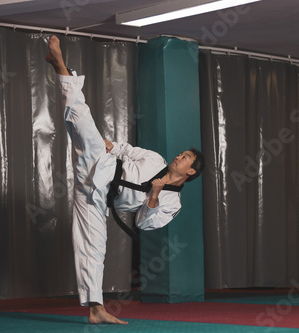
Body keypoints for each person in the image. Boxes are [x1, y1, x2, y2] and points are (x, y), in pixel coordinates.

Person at [45, 35, 204, 325]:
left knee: (93, 249)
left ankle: (95, 309)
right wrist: (111, 145)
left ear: (190, 173)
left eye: (185, 158)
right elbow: (129, 151)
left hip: (97, 198)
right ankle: (60, 66)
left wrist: (154, 195)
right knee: (80, 118)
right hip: (101, 165)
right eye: (181, 153)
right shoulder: (155, 159)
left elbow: (144, 223)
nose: (178, 156)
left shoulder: (172, 202)